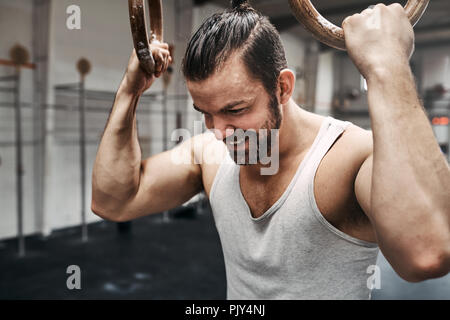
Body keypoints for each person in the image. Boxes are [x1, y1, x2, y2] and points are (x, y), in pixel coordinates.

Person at [91, 0, 450, 299]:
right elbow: (114, 200)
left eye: (235, 110)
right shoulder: (211, 155)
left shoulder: (348, 157)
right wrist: (129, 89)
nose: (219, 132)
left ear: (282, 88)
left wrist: (388, 67)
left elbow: (428, 253)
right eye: (206, 115)